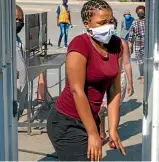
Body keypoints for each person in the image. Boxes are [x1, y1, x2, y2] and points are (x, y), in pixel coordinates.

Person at [47, 0, 126, 161]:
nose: (108, 26)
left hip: (91, 118)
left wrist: (112, 129)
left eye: (110, 21)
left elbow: (114, 89)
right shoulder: (80, 44)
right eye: (102, 22)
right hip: (67, 122)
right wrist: (92, 133)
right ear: (87, 23)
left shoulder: (117, 44)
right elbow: (77, 90)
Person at [99, 17, 134, 147]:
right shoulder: (97, 42)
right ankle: (101, 133)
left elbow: (127, 64)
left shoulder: (122, 43)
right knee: (100, 109)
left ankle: (113, 134)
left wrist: (130, 83)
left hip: (119, 78)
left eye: (111, 26)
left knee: (114, 107)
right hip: (102, 79)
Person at [128, 5, 145, 84]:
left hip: (148, 45)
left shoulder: (149, 22)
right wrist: (130, 47)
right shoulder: (134, 22)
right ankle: (142, 76)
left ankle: (148, 75)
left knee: (149, 60)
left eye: (142, 11)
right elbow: (131, 35)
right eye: (139, 12)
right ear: (137, 13)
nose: (140, 13)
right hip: (138, 45)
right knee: (140, 61)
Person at [16, 5, 27, 119]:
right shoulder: (7, 41)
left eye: (21, 20)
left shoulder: (17, 39)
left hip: (20, 93)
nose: (19, 23)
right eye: (16, 19)